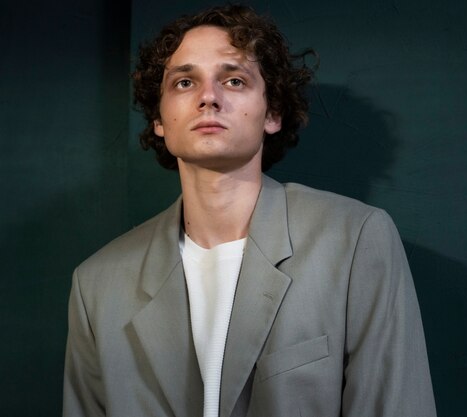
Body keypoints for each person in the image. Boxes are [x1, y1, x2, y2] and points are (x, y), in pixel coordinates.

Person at [63, 5, 436, 417]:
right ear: (159, 120)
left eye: (234, 80)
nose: (208, 97)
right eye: (185, 82)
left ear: (272, 113)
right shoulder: (97, 285)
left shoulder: (355, 241)